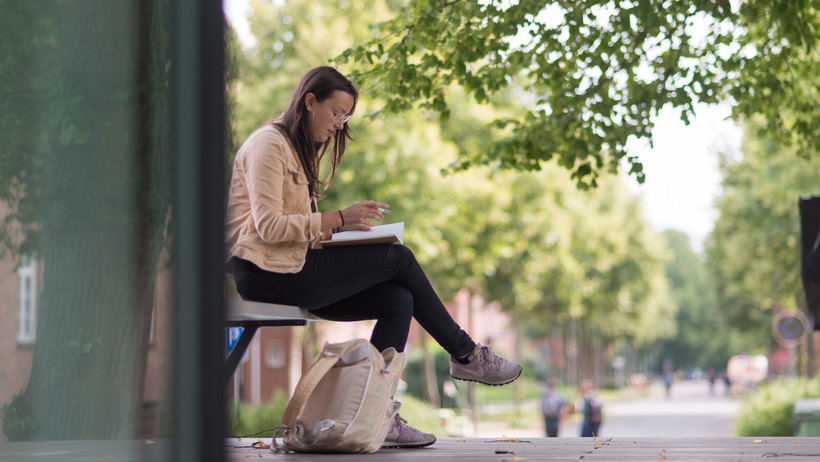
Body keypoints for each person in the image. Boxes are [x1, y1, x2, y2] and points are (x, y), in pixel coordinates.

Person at [224, 66, 522, 449]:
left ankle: (381, 417)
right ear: (310, 101)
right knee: (398, 258)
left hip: (295, 267)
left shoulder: (297, 150)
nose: (339, 124)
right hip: (266, 273)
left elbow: (298, 230)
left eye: (346, 117)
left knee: (398, 298)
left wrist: (342, 231)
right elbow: (268, 228)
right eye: (336, 113)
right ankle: (465, 352)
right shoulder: (269, 144)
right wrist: (338, 218)